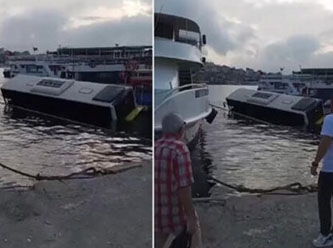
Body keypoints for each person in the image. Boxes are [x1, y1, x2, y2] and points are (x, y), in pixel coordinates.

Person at [154, 112, 200, 248]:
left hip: (156, 214)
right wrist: (191, 217)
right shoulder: (180, 149)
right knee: (195, 228)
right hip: (174, 215)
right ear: (181, 130)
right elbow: (184, 188)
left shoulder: (155, 146)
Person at [311, 113, 333, 247]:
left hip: (330, 170)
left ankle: (325, 235)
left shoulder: (330, 119)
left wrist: (315, 163)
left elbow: (325, 142)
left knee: (324, 202)